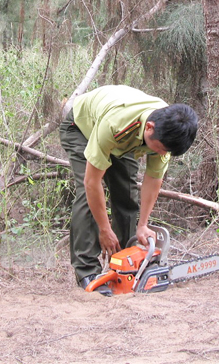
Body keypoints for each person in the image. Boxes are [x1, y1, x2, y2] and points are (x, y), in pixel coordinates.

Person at [59, 85, 198, 296]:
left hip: (125, 137)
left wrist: (143, 225)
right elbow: (92, 183)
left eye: (166, 151)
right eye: (160, 148)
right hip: (81, 128)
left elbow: (153, 178)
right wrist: (104, 230)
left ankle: (126, 263)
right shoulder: (115, 124)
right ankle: (87, 271)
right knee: (88, 198)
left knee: (126, 194)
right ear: (149, 128)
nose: (161, 154)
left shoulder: (168, 129)